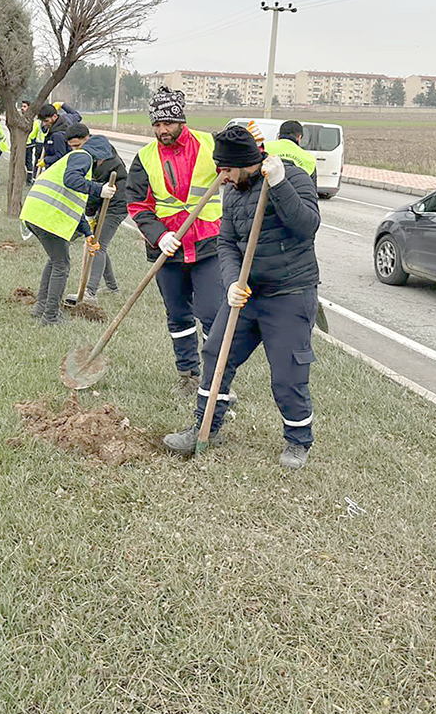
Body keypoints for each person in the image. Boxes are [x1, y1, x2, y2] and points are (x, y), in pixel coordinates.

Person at [162, 125, 322, 469]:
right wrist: (233, 281)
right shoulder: (232, 191)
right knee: (216, 351)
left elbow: (307, 226)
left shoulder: (292, 179)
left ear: (248, 162)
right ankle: (205, 426)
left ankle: (298, 440)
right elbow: (226, 242)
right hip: (248, 294)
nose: (224, 177)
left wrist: (278, 185)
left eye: (228, 169)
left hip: (290, 292)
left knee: (287, 371)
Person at [125, 86, 224, 400]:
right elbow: (138, 205)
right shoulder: (144, 158)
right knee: (178, 315)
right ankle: (188, 374)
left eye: (167, 123)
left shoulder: (210, 145)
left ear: (181, 119)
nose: (161, 130)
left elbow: (243, 170)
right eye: (156, 124)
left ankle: (216, 377)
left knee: (211, 313)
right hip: (167, 249)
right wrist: (159, 235)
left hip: (208, 243)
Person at [20, 122, 116, 325]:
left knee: (54, 260)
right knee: (61, 265)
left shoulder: (76, 159)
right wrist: (100, 190)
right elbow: (70, 180)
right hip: (45, 216)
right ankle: (51, 316)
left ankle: (41, 308)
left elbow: (74, 203)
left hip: (36, 213)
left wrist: (88, 232)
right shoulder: (83, 157)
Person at [62, 123, 126, 302]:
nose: (76, 150)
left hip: (117, 204)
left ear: (87, 138)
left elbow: (93, 187)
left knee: (98, 246)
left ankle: (90, 293)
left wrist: (90, 211)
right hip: (102, 203)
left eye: (78, 145)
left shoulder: (94, 153)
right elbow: (93, 190)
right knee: (100, 243)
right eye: (72, 147)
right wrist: (90, 214)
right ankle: (113, 287)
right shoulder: (88, 153)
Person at [37, 101, 82, 168]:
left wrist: (46, 160)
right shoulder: (67, 119)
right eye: (42, 121)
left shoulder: (58, 135)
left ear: (54, 116)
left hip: (58, 169)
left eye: (46, 121)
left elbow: (60, 156)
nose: (44, 124)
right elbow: (78, 116)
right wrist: (62, 105)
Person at [19, 100, 45, 183]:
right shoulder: (21, 118)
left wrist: (27, 139)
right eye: (22, 106)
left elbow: (33, 133)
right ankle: (31, 178)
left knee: (29, 161)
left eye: (24, 106)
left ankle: (31, 178)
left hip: (31, 143)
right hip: (32, 143)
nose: (22, 108)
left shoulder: (34, 120)